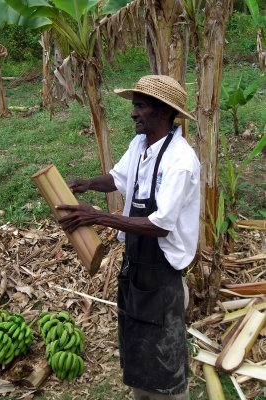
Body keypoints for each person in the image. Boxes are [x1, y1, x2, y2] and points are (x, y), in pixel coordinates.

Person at [56, 75, 200, 400]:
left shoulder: (181, 162)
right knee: (137, 355)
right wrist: (85, 184)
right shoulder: (141, 144)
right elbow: (117, 178)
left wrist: (99, 217)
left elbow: (161, 225)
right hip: (134, 269)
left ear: (162, 112)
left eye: (140, 106)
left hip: (163, 278)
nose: (133, 113)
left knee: (165, 369)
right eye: (134, 106)